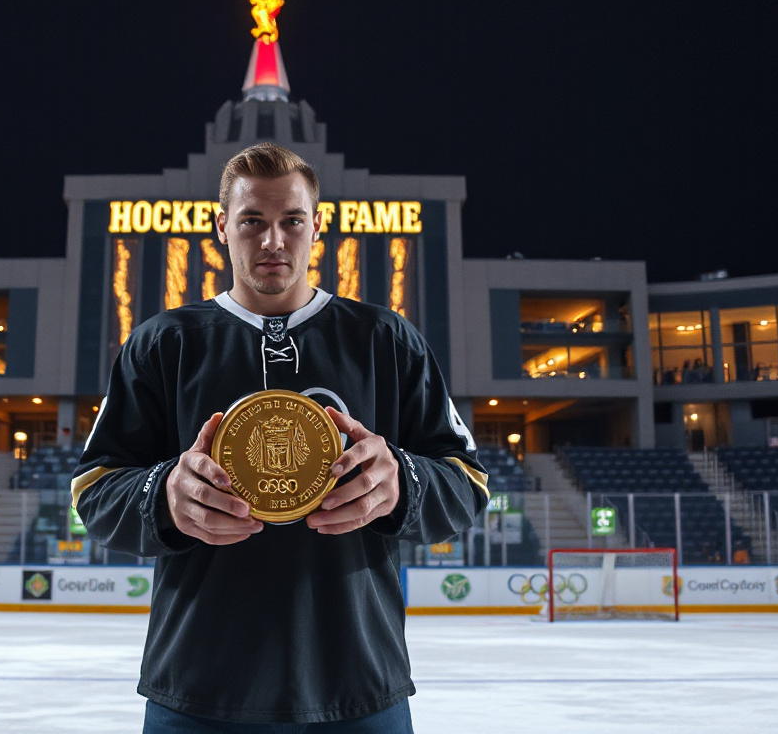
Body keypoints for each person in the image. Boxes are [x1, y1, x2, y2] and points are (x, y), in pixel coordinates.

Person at [73, 143, 488, 730]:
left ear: (316, 227)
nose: (273, 241)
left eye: (291, 221)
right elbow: (94, 488)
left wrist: (402, 482)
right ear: (222, 227)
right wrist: (164, 495)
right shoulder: (162, 343)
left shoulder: (386, 341)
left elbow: (468, 480)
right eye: (252, 221)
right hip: (196, 688)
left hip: (358, 686)